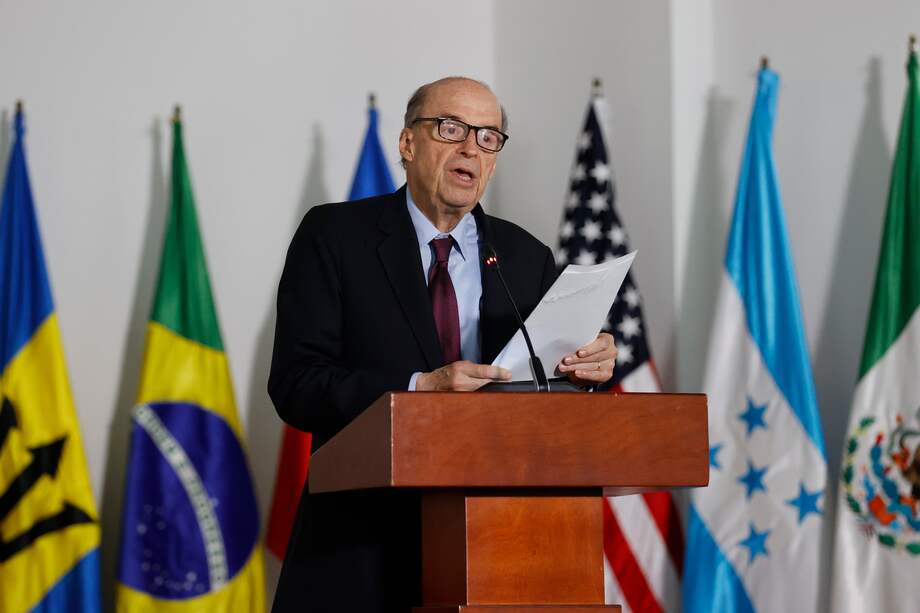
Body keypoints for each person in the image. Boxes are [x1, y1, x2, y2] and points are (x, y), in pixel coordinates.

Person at [268, 76, 617, 612]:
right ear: (408, 144)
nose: (469, 148)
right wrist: (418, 389)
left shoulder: (526, 258)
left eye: (487, 137)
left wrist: (585, 370)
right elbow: (296, 384)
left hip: (497, 552)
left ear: (495, 160)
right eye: (451, 128)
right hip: (360, 552)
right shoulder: (336, 237)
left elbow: (547, 403)